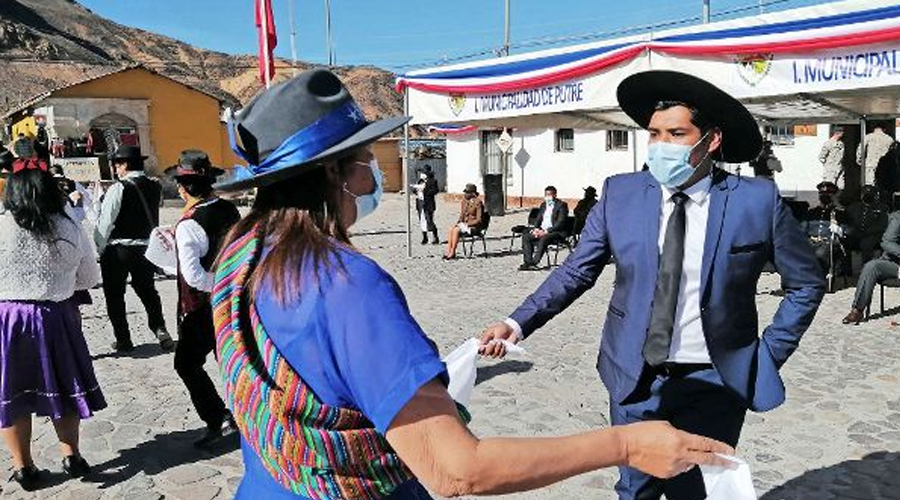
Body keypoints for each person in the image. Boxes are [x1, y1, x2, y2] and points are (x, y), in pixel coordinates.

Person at [211, 69, 733, 500]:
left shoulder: (240, 258)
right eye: (366, 156)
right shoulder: (346, 284)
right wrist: (626, 445)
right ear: (335, 173)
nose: (374, 171)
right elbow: (456, 469)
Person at [481, 70, 825, 500]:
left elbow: (806, 284)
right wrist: (517, 323)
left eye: (676, 134)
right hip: (635, 377)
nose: (662, 146)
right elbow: (576, 271)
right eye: (654, 134)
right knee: (635, 491)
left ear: (711, 140)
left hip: (715, 383)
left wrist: (767, 353)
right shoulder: (620, 194)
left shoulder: (755, 201)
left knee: (697, 493)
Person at [0, 168, 106, 491]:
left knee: (12, 392)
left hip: (8, 318)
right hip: (56, 315)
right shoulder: (69, 226)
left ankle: (23, 466)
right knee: (64, 382)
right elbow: (89, 278)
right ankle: (72, 456)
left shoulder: (2, 226)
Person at [163, 150, 241, 448]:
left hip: (205, 306)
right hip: (236, 298)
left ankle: (219, 418)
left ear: (184, 188)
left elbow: (194, 276)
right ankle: (245, 413)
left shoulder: (189, 224)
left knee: (186, 363)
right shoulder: (229, 209)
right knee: (231, 359)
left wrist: (218, 285)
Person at [94, 145, 173, 353]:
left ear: (125, 165)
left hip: (118, 249)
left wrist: (99, 248)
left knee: (115, 295)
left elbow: (106, 222)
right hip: (146, 248)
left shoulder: (118, 188)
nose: (116, 169)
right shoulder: (155, 186)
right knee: (148, 291)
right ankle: (160, 329)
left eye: (117, 165)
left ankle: (123, 339)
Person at [842, 208, 900, 325]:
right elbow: (887, 242)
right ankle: (858, 310)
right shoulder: (898, 217)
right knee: (871, 266)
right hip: (896, 263)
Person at [802, 181, 849, 279]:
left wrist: (839, 230)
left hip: (828, 242)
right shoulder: (812, 212)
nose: (824, 196)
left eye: (828, 194)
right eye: (822, 194)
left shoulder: (840, 213)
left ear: (833, 196)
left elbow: (848, 230)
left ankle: (818, 278)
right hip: (811, 241)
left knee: (820, 254)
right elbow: (802, 229)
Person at [519, 185, 569, 270]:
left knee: (544, 238)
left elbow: (560, 222)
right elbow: (538, 219)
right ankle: (528, 262)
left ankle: (534, 262)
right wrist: (536, 229)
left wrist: (546, 231)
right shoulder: (543, 205)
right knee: (526, 237)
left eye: (550, 195)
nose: (547, 197)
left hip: (556, 232)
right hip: (542, 230)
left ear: (555, 195)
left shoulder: (561, 205)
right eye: (546, 195)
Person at [845, 185, 889, 265]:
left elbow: (882, 225)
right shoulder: (853, 207)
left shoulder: (882, 208)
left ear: (875, 196)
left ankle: (867, 266)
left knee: (866, 244)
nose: (867, 197)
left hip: (872, 235)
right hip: (856, 233)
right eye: (865, 194)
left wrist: (866, 232)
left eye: (870, 195)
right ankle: (846, 267)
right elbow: (849, 221)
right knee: (845, 241)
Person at [443, 183, 484, 260]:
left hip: (474, 227)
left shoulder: (478, 202)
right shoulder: (464, 201)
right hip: (464, 225)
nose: (465, 194)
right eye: (465, 192)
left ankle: (453, 252)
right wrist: (458, 223)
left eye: (467, 193)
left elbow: (479, 220)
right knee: (451, 229)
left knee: (456, 230)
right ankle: (448, 251)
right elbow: (462, 215)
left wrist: (467, 224)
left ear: (473, 193)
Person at [857, 122, 894, 186]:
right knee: (882, 185)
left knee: (869, 186)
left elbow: (860, 150)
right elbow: (893, 153)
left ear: (874, 128)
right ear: (884, 129)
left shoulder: (868, 137)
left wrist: (860, 161)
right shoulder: (889, 139)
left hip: (870, 165)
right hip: (884, 166)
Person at [411, 164, 439, 245]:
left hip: (428, 203)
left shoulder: (433, 181)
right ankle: (425, 237)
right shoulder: (420, 181)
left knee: (429, 220)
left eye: (424, 173)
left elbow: (435, 191)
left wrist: (424, 190)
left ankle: (435, 237)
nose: (422, 174)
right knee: (422, 220)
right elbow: (414, 191)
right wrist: (416, 189)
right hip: (420, 203)